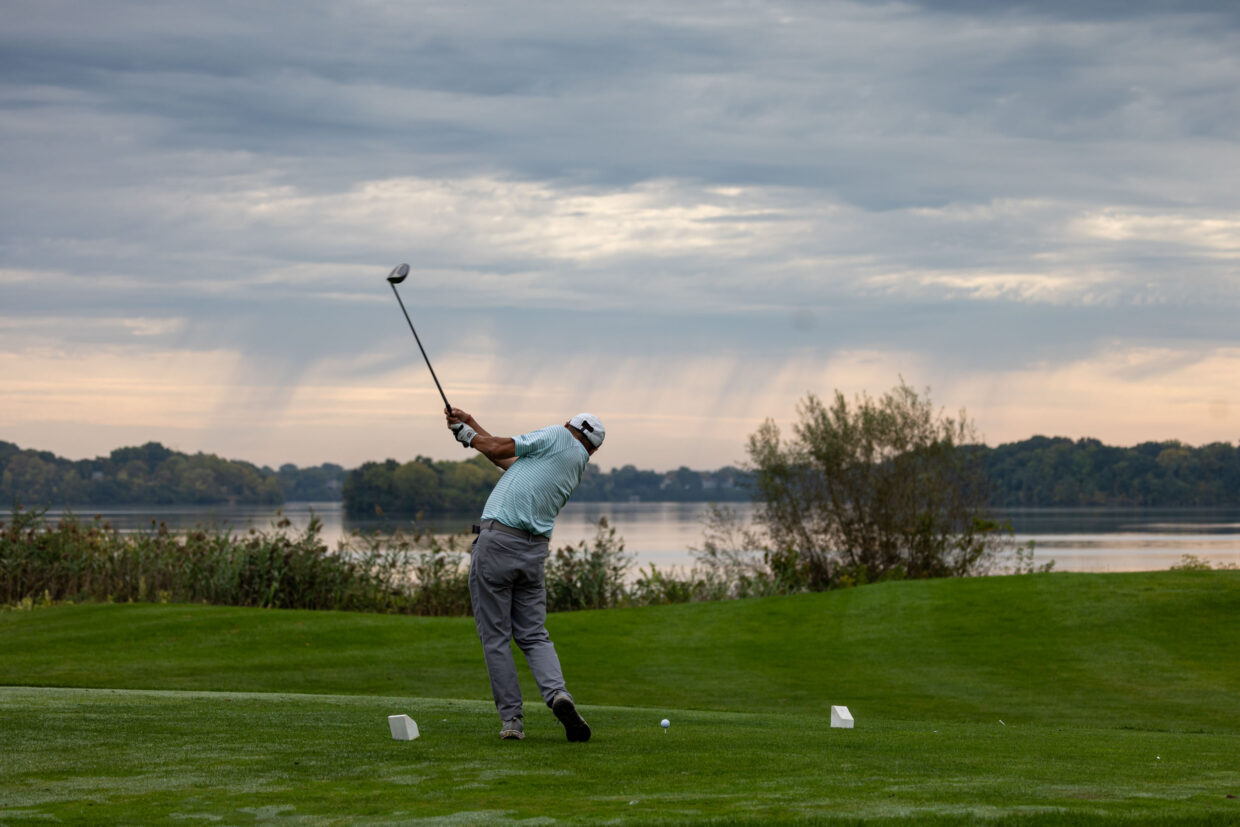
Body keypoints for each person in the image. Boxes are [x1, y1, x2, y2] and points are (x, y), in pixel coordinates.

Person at [445, 405, 605, 742]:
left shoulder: (558, 435)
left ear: (568, 426)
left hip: (498, 544)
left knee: (495, 638)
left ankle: (512, 721)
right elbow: (508, 461)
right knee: (533, 635)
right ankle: (558, 695)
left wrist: (469, 437)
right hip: (533, 553)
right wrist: (471, 425)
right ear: (592, 449)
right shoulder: (575, 464)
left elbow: (498, 448)